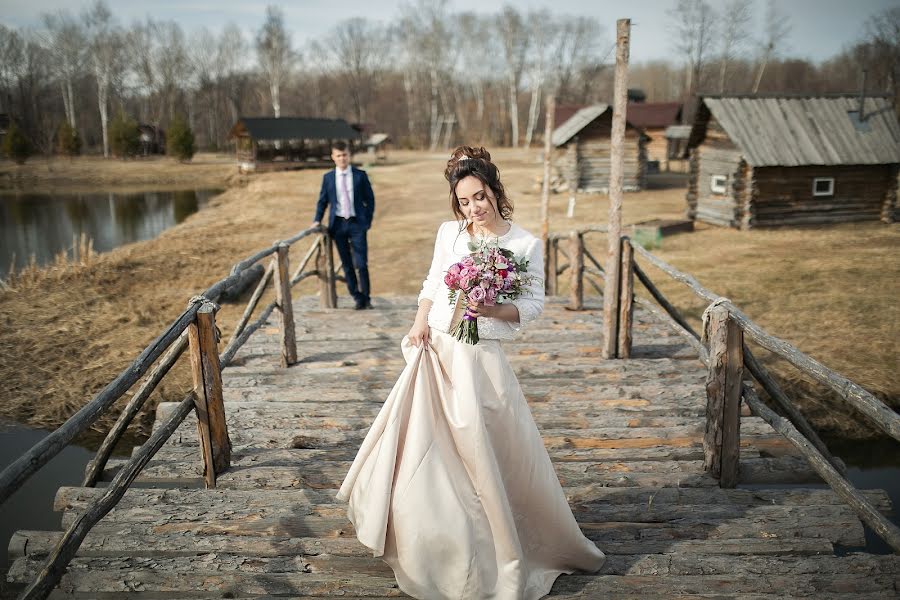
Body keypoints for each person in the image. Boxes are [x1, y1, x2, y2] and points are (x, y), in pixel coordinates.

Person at [336, 146, 606, 599]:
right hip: (438, 349)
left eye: (479, 197)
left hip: (480, 360)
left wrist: (492, 307)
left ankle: (500, 544)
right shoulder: (451, 233)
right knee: (426, 448)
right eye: (464, 201)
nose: (473, 208)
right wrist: (419, 322)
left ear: (495, 191)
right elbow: (431, 282)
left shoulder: (523, 245)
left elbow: (533, 306)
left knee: (484, 452)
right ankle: (429, 537)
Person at [312, 141, 376, 309]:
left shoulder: (360, 175)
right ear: (333, 157)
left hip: (357, 224)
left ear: (349, 156)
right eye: (338, 155)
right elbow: (323, 201)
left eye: (345, 155)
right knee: (347, 264)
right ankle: (357, 297)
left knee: (361, 264)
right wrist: (317, 220)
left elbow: (370, 199)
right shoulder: (328, 178)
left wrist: (367, 221)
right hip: (338, 225)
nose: (342, 158)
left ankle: (366, 297)